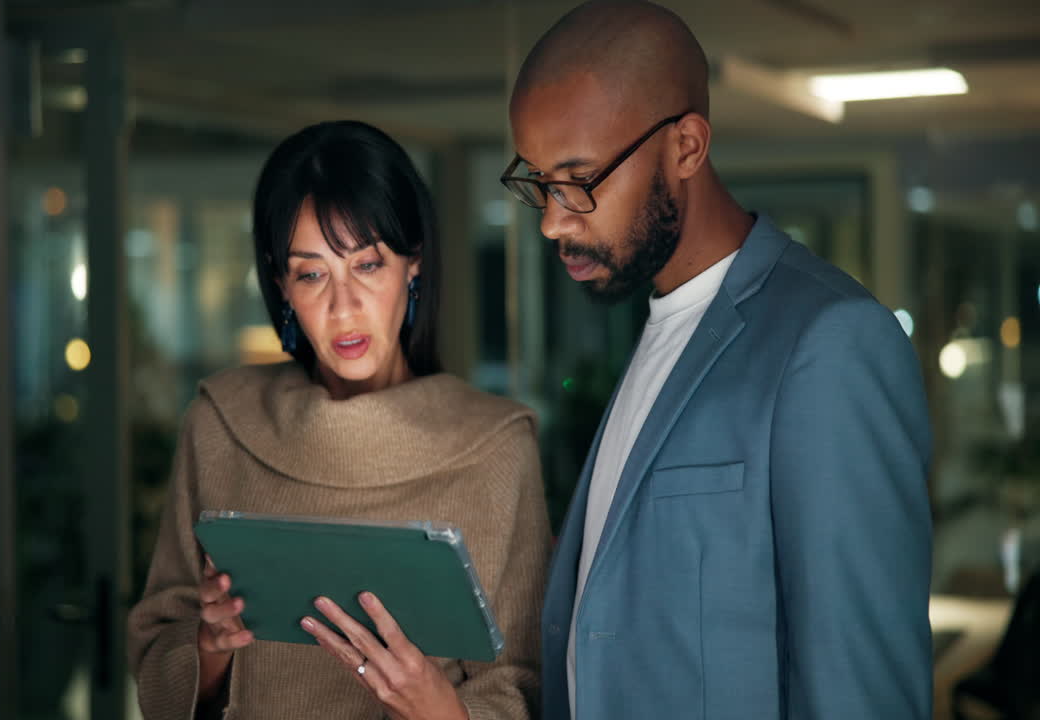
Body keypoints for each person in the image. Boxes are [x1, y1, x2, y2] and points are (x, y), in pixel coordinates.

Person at [501, 2, 934, 719]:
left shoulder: (830, 342)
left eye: (579, 179)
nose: (552, 218)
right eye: (539, 182)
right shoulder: (660, 327)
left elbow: (863, 693)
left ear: (688, 147)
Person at [128, 120, 550, 720]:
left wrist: (436, 707)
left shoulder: (497, 446)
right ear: (281, 287)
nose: (343, 305)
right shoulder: (219, 424)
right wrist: (208, 646)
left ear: (413, 264)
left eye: (368, 265)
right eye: (312, 273)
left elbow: (524, 686)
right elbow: (155, 655)